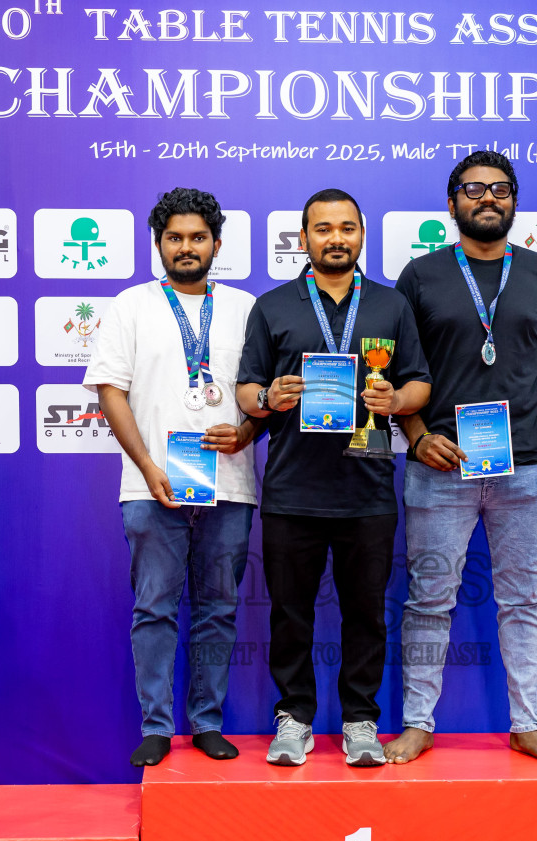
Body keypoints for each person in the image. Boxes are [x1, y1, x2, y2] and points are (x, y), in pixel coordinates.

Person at [388, 150, 537, 767]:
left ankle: (527, 724)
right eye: (473, 190)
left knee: (524, 600)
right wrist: (419, 436)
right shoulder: (420, 276)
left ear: (514, 202)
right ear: (452, 205)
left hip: (526, 467)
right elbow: (399, 375)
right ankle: (417, 722)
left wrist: (515, 414)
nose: (487, 198)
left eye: (500, 189)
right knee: (428, 600)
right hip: (439, 467)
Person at [237, 188, 432, 767]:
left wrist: (395, 398)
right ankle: (293, 718)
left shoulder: (392, 305)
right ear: (304, 239)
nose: (336, 238)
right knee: (289, 612)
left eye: (346, 228)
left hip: (367, 487)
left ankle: (361, 722)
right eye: (323, 229)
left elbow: (420, 382)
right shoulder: (273, 306)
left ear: (361, 236)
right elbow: (246, 389)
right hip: (293, 490)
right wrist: (270, 395)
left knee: (366, 613)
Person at [85, 187, 260, 768]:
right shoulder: (130, 305)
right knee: (154, 608)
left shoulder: (244, 308)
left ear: (216, 242)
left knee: (218, 608)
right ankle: (157, 727)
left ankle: (207, 722)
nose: (187, 247)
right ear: (159, 243)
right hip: (151, 485)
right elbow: (111, 392)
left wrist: (247, 434)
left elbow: (261, 398)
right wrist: (147, 466)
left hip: (229, 485)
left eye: (198, 237)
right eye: (174, 238)